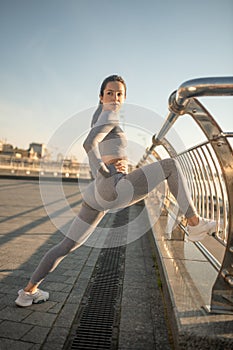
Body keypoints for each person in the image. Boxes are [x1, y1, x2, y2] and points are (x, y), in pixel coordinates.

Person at [15, 74, 216, 307]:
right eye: (109, 93)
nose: (115, 97)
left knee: (66, 245)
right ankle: (194, 223)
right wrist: (104, 170)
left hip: (95, 194)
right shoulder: (109, 115)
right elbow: (88, 144)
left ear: (125, 98)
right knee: (170, 166)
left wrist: (104, 170)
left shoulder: (99, 115)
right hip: (112, 187)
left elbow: (96, 141)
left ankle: (28, 292)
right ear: (101, 96)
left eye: (119, 94)